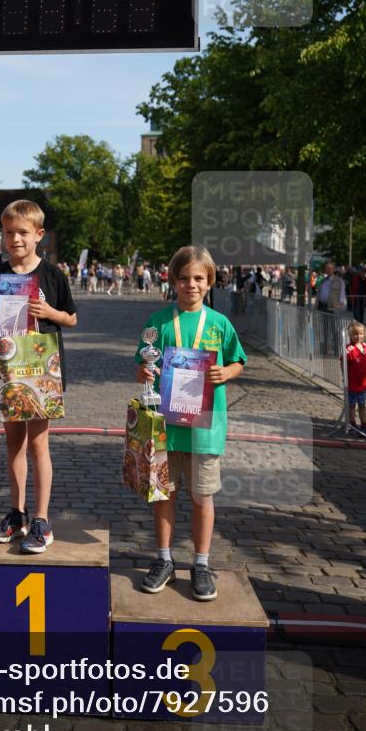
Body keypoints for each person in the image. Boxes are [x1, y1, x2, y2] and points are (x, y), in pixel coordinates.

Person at [136, 245, 247, 601]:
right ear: (173, 280)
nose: (191, 285)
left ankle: (201, 563)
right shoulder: (158, 323)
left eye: (198, 278)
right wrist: (144, 369)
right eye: (184, 278)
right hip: (166, 427)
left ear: (209, 281)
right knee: (164, 494)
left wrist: (224, 372)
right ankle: (164, 559)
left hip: (205, 429)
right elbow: (143, 364)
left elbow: (238, 361)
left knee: (202, 496)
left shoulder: (219, 323)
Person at [0, 199, 77, 554]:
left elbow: (72, 318)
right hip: (7, 365)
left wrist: (49, 311)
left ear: (39, 235)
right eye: (9, 232)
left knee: (39, 444)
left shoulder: (52, 274)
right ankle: (18, 514)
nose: (15, 239)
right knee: (14, 443)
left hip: (42, 367)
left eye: (23, 233)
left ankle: (43, 520)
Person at [343, 321, 366, 437]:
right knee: (351, 405)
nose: (358, 336)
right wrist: (344, 377)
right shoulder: (349, 349)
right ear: (351, 335)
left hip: (362, 384)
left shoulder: (364, 346)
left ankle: (364, 426)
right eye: (355, 334)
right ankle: (352, 425)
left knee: (362, 405)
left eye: (360, 334)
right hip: (352, 384)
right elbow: (342, 362)